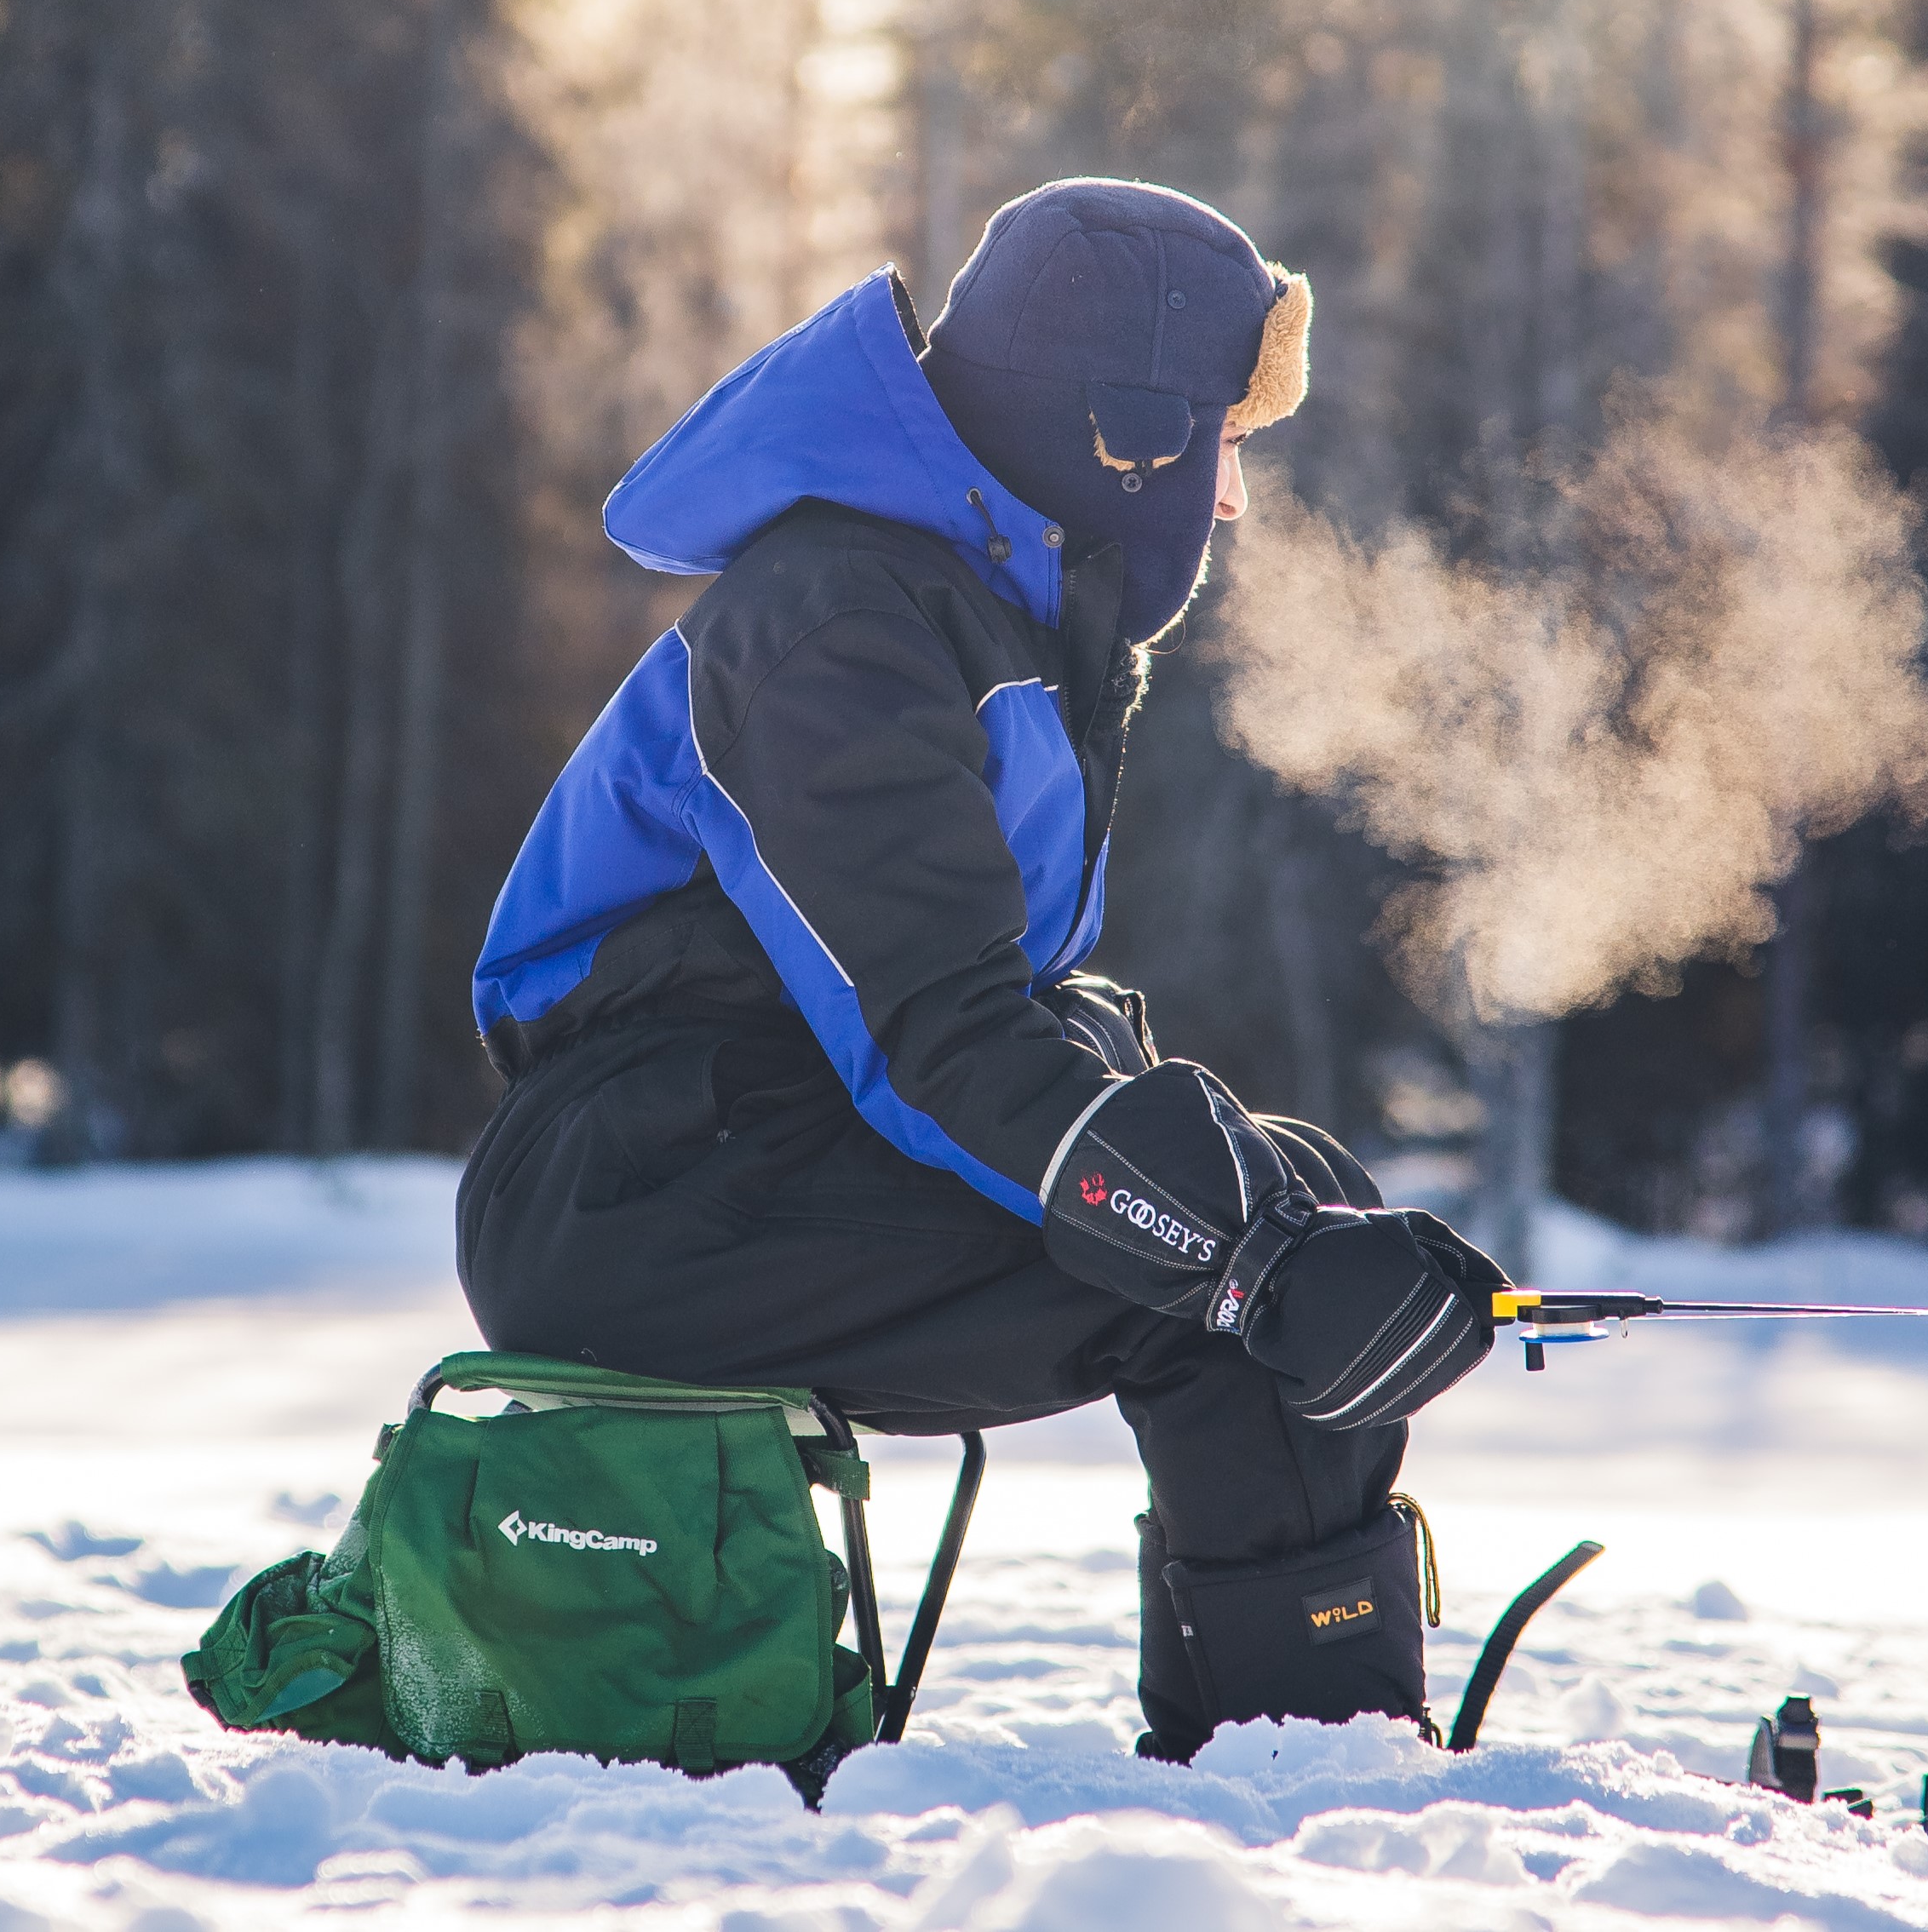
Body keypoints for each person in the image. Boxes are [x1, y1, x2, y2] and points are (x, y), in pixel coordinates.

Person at [457, 178, 1508, 1761]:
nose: (1228, 500)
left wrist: (1257, 1208)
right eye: (1223, 439)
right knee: (1233, 1286)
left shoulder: (974, 612)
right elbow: (939, 1033)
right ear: (1123, 437)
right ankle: (1295, 1765)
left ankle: (1308, 1739)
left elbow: (987, 1005)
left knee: (1287, 1204)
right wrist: (1249, 1256)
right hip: (637, 1192)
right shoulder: (840, 625)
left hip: (749, 1144)